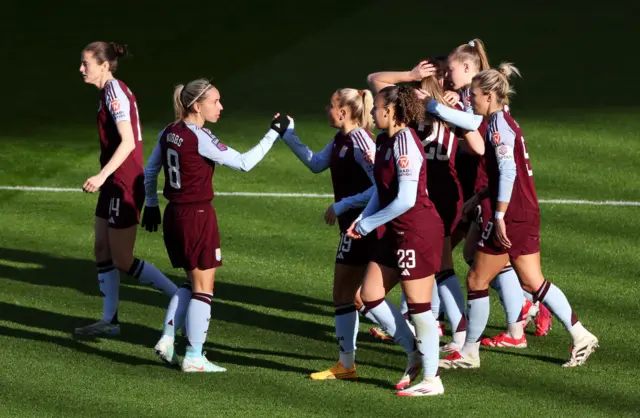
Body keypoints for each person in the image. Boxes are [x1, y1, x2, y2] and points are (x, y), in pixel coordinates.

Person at [440, 64, 598, 369]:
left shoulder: (498, 128)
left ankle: (470, 353)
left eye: (473, 96)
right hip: (524, 210)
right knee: (532, 280)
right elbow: (505, 173)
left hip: (511, 215)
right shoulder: (503, 121)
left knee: (476, 278)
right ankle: (581, 335)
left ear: (488, 96)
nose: (469, 100)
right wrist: (480, 196)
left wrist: (497, 215)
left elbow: (509, 171)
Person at [142, 79, 287, 372]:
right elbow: (245, 163)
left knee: (191, 283)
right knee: (204, 290)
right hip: (197, 216)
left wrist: (152, 204)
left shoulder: (168, 132)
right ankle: (194, 356)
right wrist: (274, 134)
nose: (220, 107)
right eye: (215, 101)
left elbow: (150, 171)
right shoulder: (200, 138)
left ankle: (169, 338)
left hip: (173, 216)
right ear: (197, 106)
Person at [426, 39, 552, 340]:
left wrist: (439, 110)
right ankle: (517, 314)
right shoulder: (474, 98)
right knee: (470, 254)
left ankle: (518, 314)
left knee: (458, 256)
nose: (447, 76)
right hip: (476, 189)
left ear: (468, 68)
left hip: (483, 187)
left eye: (451, 69)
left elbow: (482, 146)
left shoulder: (481, 102)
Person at [75, 41, 178, 337]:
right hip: (112, 182)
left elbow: (129, 141)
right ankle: (110, 321)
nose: (81, 69)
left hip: (122, 182)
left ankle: (177, 297)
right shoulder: (107, 92)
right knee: (101, 249)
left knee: (122, 258)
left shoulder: (115, 93)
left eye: (86, 64)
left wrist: (102, 175)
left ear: (104, 65)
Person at [349, 85, 444, 396]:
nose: (373, 114)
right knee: (368, 295)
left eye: (376, 108)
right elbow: (381, 189)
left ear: (389, 112)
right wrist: (364, 219)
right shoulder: (383, 139)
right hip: (394, 230)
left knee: (419, 307)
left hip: (416, 230)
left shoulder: (405, 142)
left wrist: (367, 226)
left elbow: (404, 199)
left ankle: (432, 379)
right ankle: (414, 353)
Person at [279, 88, 377, 380]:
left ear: (344, 112)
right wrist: (288, 135)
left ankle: (354, 363)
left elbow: (381, 186)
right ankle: (408, 345)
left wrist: (342, 204)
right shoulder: (341, 139)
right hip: (354, 225)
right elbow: (316, 163)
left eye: (331, 105)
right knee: (359, 297)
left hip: (362, 227)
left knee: (345, 295)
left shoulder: (360, 140)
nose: (326, 109)